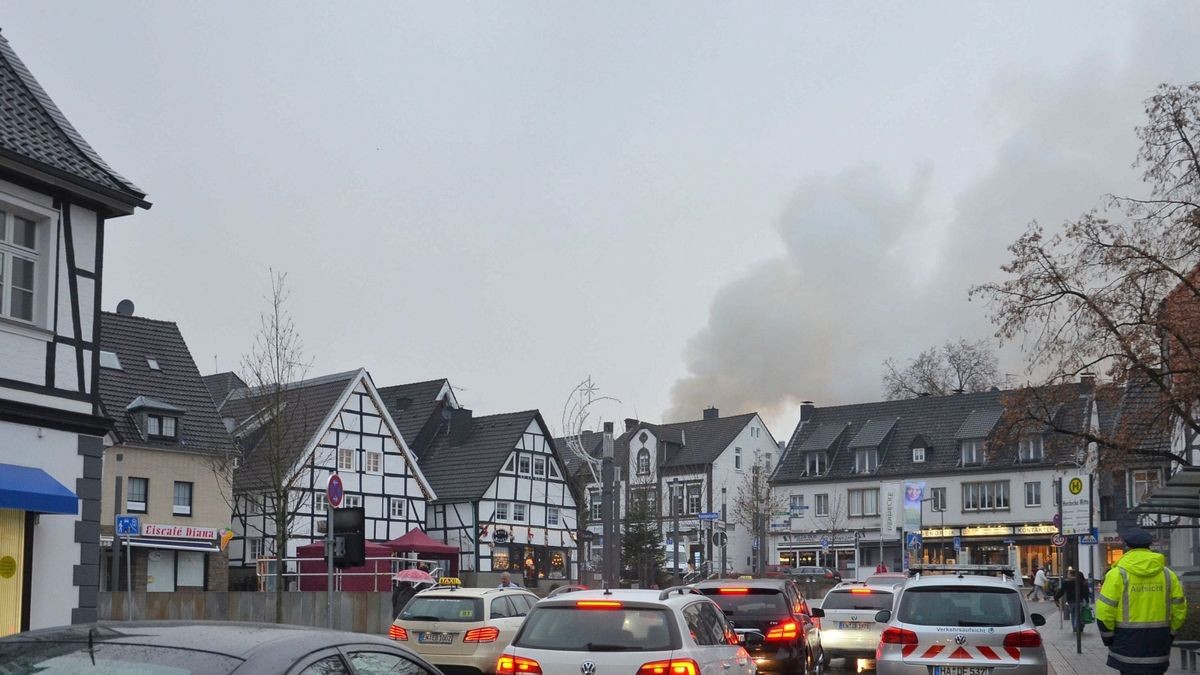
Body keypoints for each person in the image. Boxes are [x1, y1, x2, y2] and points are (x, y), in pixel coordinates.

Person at [1096, 527, 1186, 675]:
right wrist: (1171, 633)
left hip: (1126, 643)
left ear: (1127, 547)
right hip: (1159, 641)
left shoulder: (1116, 575)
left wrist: (1108, 638)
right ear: (1149, 546)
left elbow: (1104, 612)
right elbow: (1179, 609)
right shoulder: (1168, 575)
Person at [1053, 567, 1090, 633]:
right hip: (1079, 601)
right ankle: (1078, 627)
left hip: (1071, 601)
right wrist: (1087, 601)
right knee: (1078, 614)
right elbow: (1085, 592)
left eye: (1068, 574)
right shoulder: (1080, 582)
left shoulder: (1066, 582)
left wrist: (1056, 597)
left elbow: (1061, 591)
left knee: (1073, 615)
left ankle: (1075, 628)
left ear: (1071, 575)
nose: (1067, 575)